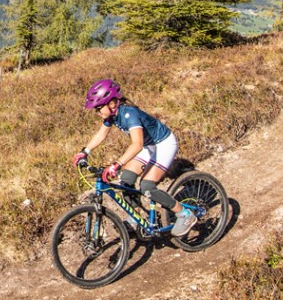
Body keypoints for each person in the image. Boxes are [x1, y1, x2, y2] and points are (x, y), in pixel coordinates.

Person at [72, 78, 198, 237]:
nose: (97, 113)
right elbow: (101, 133)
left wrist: (117, 164)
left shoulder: (129, 114)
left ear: (112, 103)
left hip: (164, 144)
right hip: (149, 146)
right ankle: (136, 217)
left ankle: (184, 214)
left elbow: (137, 144)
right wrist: (85, 151)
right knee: (126, 179)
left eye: (98, 108)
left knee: (147, 186)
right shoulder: (111, 115)